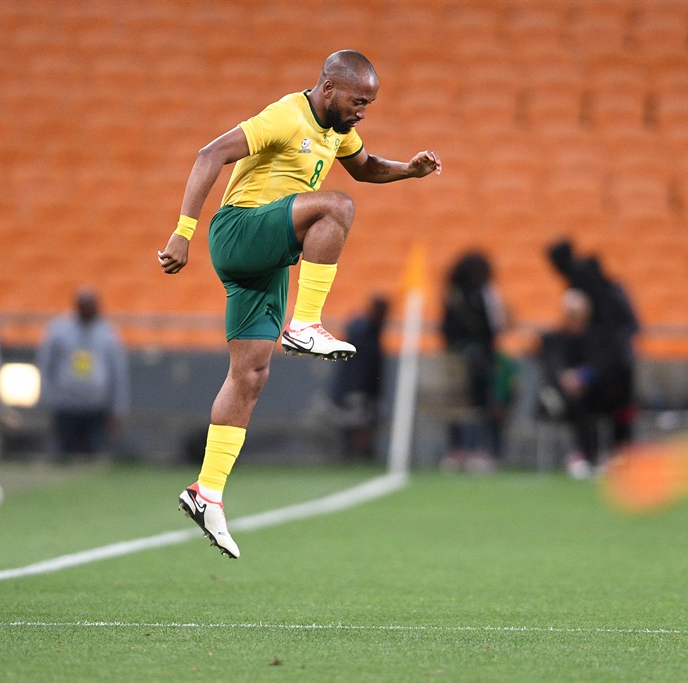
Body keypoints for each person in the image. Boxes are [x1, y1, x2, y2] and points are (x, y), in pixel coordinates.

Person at [158, 49, 441, 558]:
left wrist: (408, 171)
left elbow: (365, 167)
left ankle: (207, 491)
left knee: (250, 374)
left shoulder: (337, 128)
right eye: (358, 101)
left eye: (369, 104)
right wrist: (183, 232)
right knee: (336, 207)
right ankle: (305, 322)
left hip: (264, 258)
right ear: (328, 89)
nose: (362, 112)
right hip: (238, 230)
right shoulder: (286, 115)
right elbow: (209, 154)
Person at [547, 239, 639, 451]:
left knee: (618, 409)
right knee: (584, 403)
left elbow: (617, 343)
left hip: (612, 370)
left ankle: (615, 453)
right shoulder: (602, 287)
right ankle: (596, 454)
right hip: (601, 373)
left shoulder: (593, 289)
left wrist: (585, 374)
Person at [538, 289, 634, 479]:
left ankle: (614, 454)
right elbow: (553, 365)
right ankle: (585, 455)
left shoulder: (596, 338)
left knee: (618, 395)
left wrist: (584, 376)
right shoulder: (554, 339)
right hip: (562, 398)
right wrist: (566, 377)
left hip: (593, 394)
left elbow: (602, 364)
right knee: (577, 401)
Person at [35, 286, 129, 460]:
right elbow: (46, 366)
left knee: (94, 455)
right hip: (66, 405)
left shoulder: (108, 334)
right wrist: (49, 398)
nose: (87, 308)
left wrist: (117, 407)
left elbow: (118, 373)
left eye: (90, 304)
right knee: (63, 454)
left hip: (96, 406)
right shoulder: (59, 331)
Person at [438, 251, 509, 471]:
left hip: (479, 360)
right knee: (461, 405)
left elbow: (496, 327)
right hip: (464, 359)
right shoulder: (457, 295)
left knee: (482, 404)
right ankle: (462, 449)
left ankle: (479, 449)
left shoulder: (484, 293)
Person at [328, 295, 389, 461]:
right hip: (355, 386)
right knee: (355, 422)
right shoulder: (363, 330)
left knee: (363, 421)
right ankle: (350, 455)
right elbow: (359, 364)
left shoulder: (371, 329)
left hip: (362, 387)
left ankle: (356, 454)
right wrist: (357, 388)